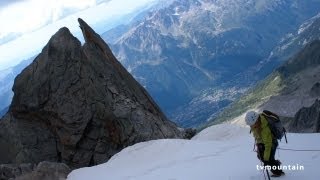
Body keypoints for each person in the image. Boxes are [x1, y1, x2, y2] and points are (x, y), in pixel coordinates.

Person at [245, 111, 284, 177]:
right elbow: (257, 135)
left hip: (271, 143)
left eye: (252, 124)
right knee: (261, 156)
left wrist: (266, 160)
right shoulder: (256, 124)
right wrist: (258, 144)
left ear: (256, 120)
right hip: (263, 142)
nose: (251, 125)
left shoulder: (264, 129)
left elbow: (268, 145)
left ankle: (278, 172)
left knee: (269, 159)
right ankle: (276, 164)